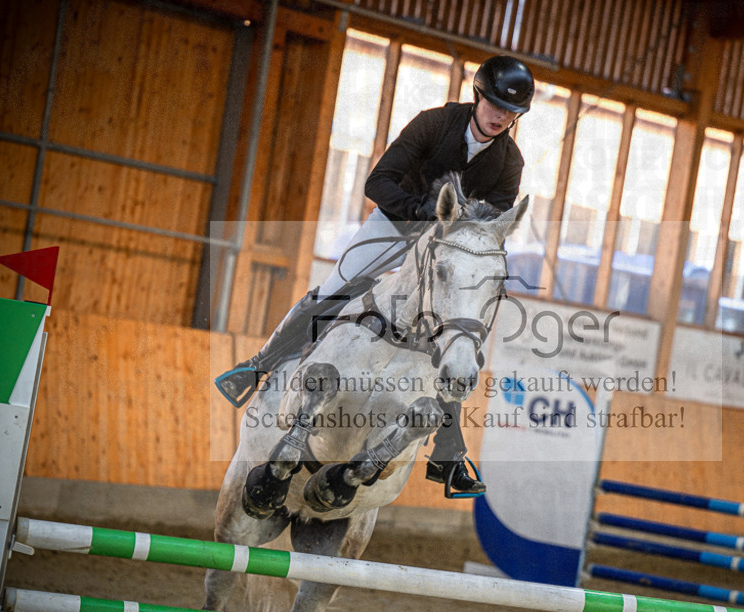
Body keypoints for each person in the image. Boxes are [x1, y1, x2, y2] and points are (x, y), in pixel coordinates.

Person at [215, 54, 535, 497]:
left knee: (454, 330)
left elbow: (485, 227)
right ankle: (258, 366)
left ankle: (448, 450)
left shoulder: (509, 163)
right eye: (497, 105)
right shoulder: (434, 123)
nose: (502, 117)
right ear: (479, 95)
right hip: (394, 223)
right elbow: (377, 181)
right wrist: (415, 210)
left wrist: (452, 240)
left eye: (512, 112)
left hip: (441, 249)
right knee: (334, 289)